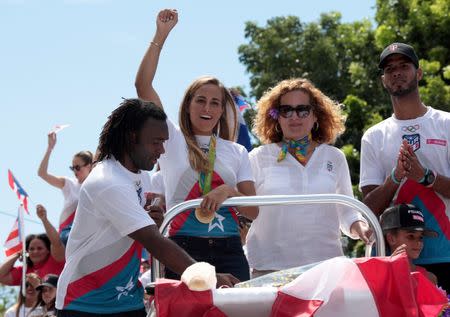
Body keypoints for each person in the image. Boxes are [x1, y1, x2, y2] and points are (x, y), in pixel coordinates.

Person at [55, 98, 237, 317]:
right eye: (156, 142)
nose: (162, 150)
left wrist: (155, 220)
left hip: (128, 302)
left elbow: (143, 231)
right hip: (85, 304)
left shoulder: (141, 175)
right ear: (132, 138)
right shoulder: (107, 181)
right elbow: (152, 241)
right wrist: (208, 276)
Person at [135, 9, 258, 282]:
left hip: (230, 249)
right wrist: (160, 35)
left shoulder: (237, 151)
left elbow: (253, 210)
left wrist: (228, 191)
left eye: (215, 103)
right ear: (188, 104)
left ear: (223, 110)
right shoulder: (171, 138)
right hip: (182, 248)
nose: (207, 108)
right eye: (200, 100)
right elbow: (143, 85)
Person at [247, 78, 372, 277]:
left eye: (302, 109)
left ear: (316, 116)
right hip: (270, 271)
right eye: (286, 110)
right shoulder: (258, 158)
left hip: (326, 271)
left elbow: (347, 214)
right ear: (277, 117)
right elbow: (243, 214)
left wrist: (362, 229)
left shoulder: (335, 157)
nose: (294, 116)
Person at [359, 42, 450, 292]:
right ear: (383, 80)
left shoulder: (446, 124)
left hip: (447, 253)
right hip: (397, 261)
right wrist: (396, 177)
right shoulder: (373, 136)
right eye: (390, 69)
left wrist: (426, 177)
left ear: (418, 73)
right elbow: (368, 209)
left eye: (404, 66)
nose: (397, 72)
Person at [38, 132, 94, 245]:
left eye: (77, 167)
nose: (74, 171)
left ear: (90, 166)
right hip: (68, 232)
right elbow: (42, 174)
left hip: (90, 229)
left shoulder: (97, 186)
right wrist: (50, 148)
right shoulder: (69, 184)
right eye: (72, 168)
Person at [0, 205, 65, 286]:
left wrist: (44, 220)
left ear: (48, 250)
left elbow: (56, 242)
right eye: (31, 249)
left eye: (40, 248)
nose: (35, 251)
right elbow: (1, 276)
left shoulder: (56, 260)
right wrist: (18, 254)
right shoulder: (25, 271)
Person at [380, 203, 438, 284]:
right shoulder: (379, 275)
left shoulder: (430, 278)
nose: (418, 242)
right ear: (391, 238)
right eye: (411, 236)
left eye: (421, 237)